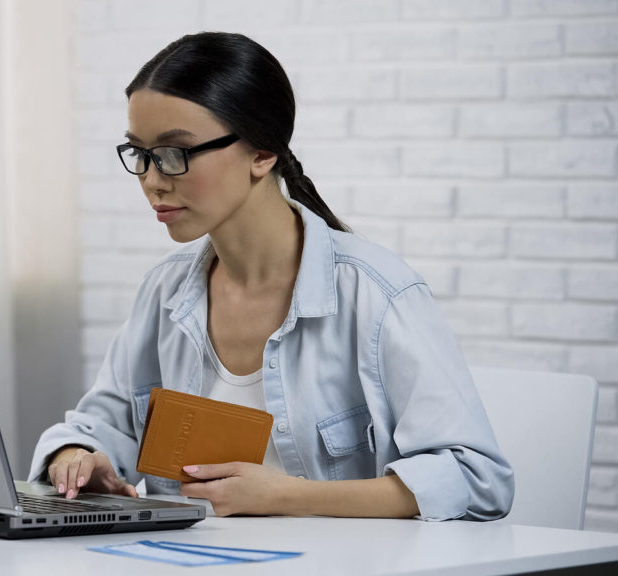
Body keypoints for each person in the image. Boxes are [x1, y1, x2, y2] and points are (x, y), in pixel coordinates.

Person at [28, 31, 514, 521]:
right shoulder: (164, 290)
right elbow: (98, 427)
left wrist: (285, 497)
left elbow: (476, 479)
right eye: (140, 154)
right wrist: (75, 460)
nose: (152, 180)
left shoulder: (377, 294)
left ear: (262, 153)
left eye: (175, 153)